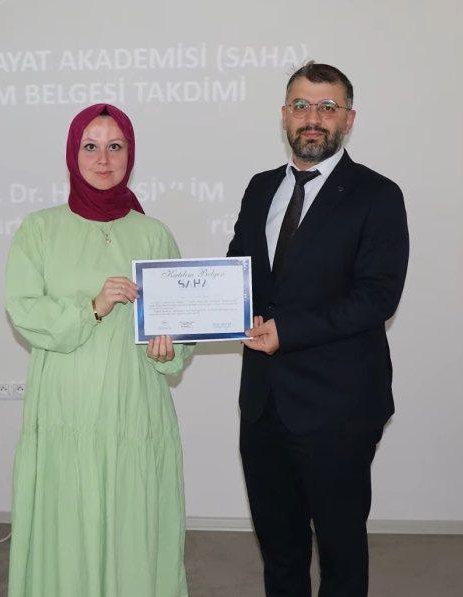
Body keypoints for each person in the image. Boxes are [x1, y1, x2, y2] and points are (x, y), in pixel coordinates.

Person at [226, 62, 409, 597]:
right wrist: (196, 310)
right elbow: (239, 273)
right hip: (263, 405)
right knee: (280, 552)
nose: (313, 118)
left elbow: (377, 298)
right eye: (302, 106)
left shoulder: (378, 194)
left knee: (340, 554)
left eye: (327, 107)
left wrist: (288, 330)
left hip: (339, 408)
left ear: (348, 119)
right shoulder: (260, 188)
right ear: (284, 115)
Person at [5, 103, 193, 597]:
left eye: (115, 146)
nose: (103, 159)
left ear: (130, 154)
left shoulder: (154, 233)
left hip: (135, 406)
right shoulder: (39, 229)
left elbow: (180, 324)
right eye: (91, 146)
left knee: (134, 520)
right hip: (67, 405)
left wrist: (169, 348)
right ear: (73, 153)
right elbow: (23, 310)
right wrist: (93, 305)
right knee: (69, 517)